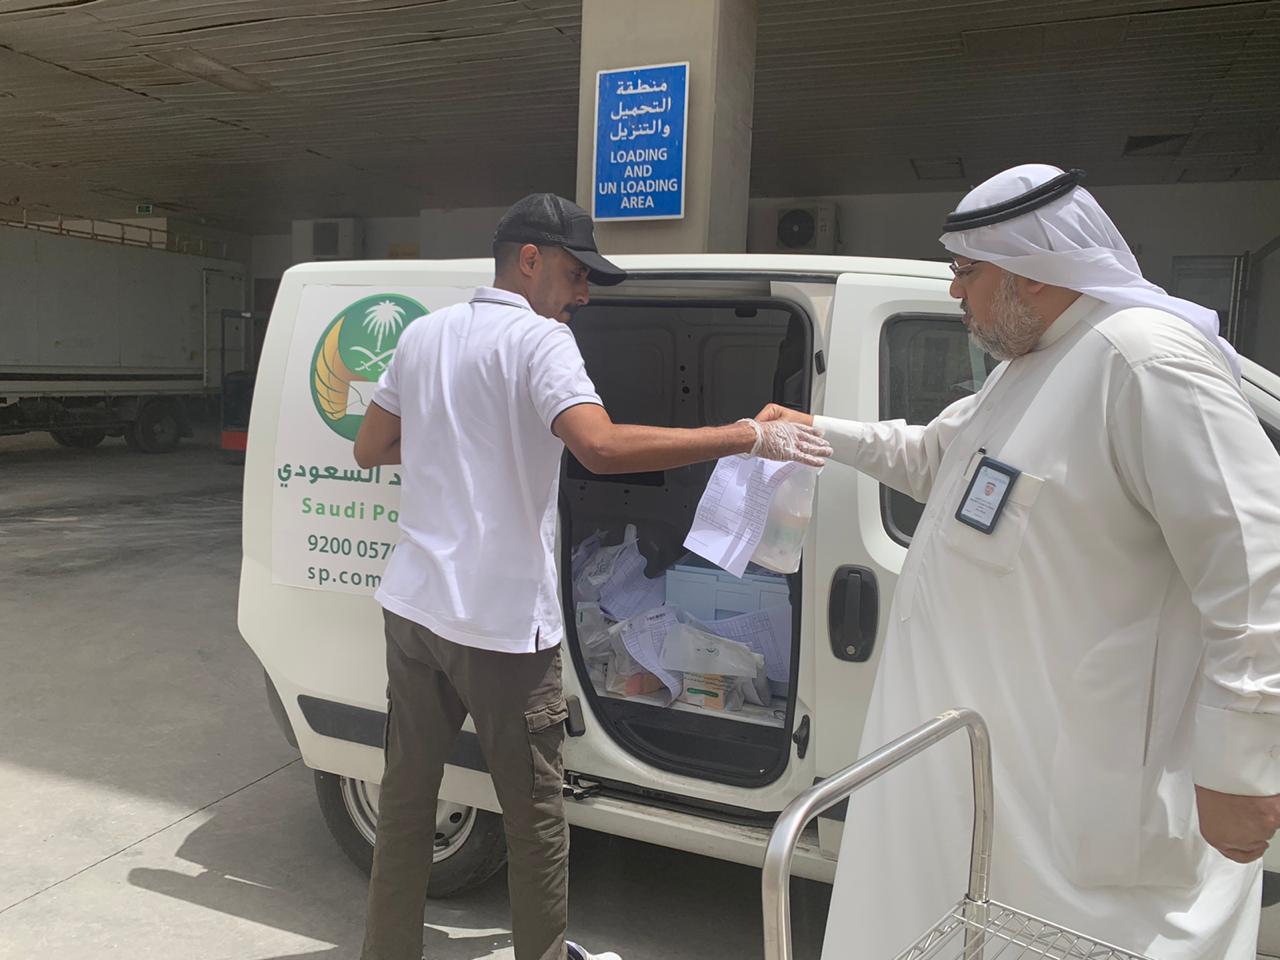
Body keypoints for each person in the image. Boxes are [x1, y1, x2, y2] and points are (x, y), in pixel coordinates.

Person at [759, 165, 1280, 959]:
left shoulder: (1143, 361)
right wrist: (815, 432)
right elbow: (936, 457)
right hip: (984, 779)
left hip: (1077, 799)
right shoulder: (1030, 368)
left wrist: (1242, 768)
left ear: (1031, 272)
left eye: (966, 271)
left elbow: (1256, 563)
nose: (954, 292)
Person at [351, 192, 831, 960]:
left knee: (405, 804)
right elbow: (599, 448)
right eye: (576, 274)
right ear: (529, 260)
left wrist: (459, 442)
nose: (582, 294)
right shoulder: (541, 340)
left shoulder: (423, 334)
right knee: (535, 821)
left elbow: (371, 447)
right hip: (501, 629)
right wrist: (746, 435)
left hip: (414, 611)